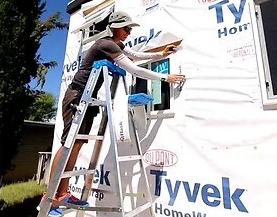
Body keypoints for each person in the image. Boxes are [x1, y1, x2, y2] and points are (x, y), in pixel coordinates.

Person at [41, 11, 185, 214]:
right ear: (115, 27)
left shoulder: (116, 45)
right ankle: (50, 195)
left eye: (130, 29)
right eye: (126, 28)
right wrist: (164, 78)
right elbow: (134, 69)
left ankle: (62, 193)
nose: (129, 32)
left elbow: (136, 55)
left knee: (77, 144)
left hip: (87, 98)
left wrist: (162, 54)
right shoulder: (105, 44)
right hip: (77, 95)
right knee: (68, 145)